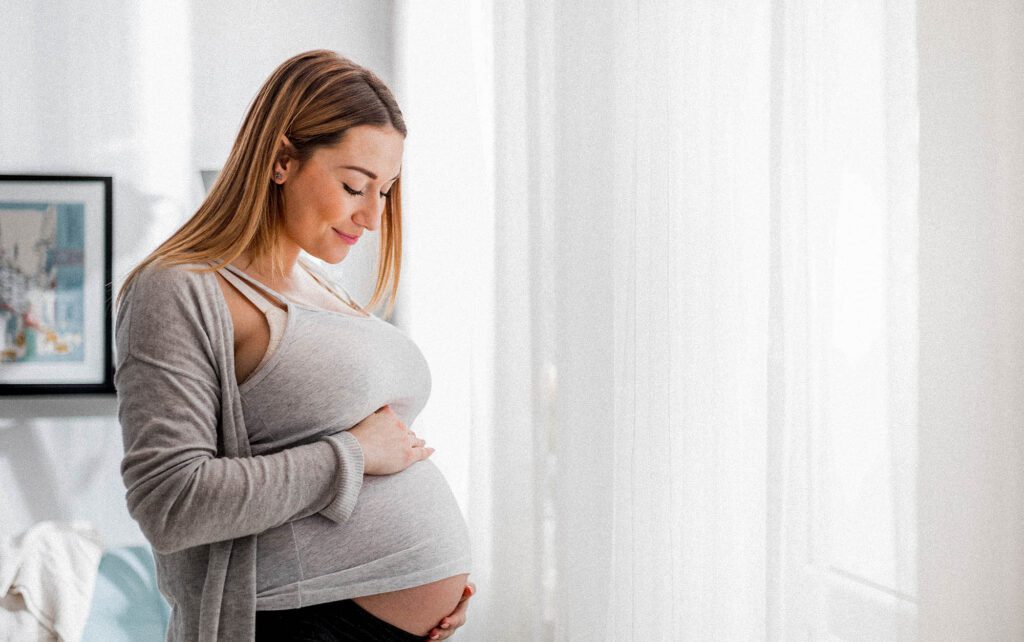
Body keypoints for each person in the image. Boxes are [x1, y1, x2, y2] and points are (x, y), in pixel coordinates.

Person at [114, 50, 475, 641]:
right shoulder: (180, 290)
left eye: (385, 191)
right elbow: (169, 502)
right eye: (355, 185)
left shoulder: (315, 283)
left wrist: (429, 580)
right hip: (292, 624)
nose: (373, 217)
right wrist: (350, 457)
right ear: (282, 159)